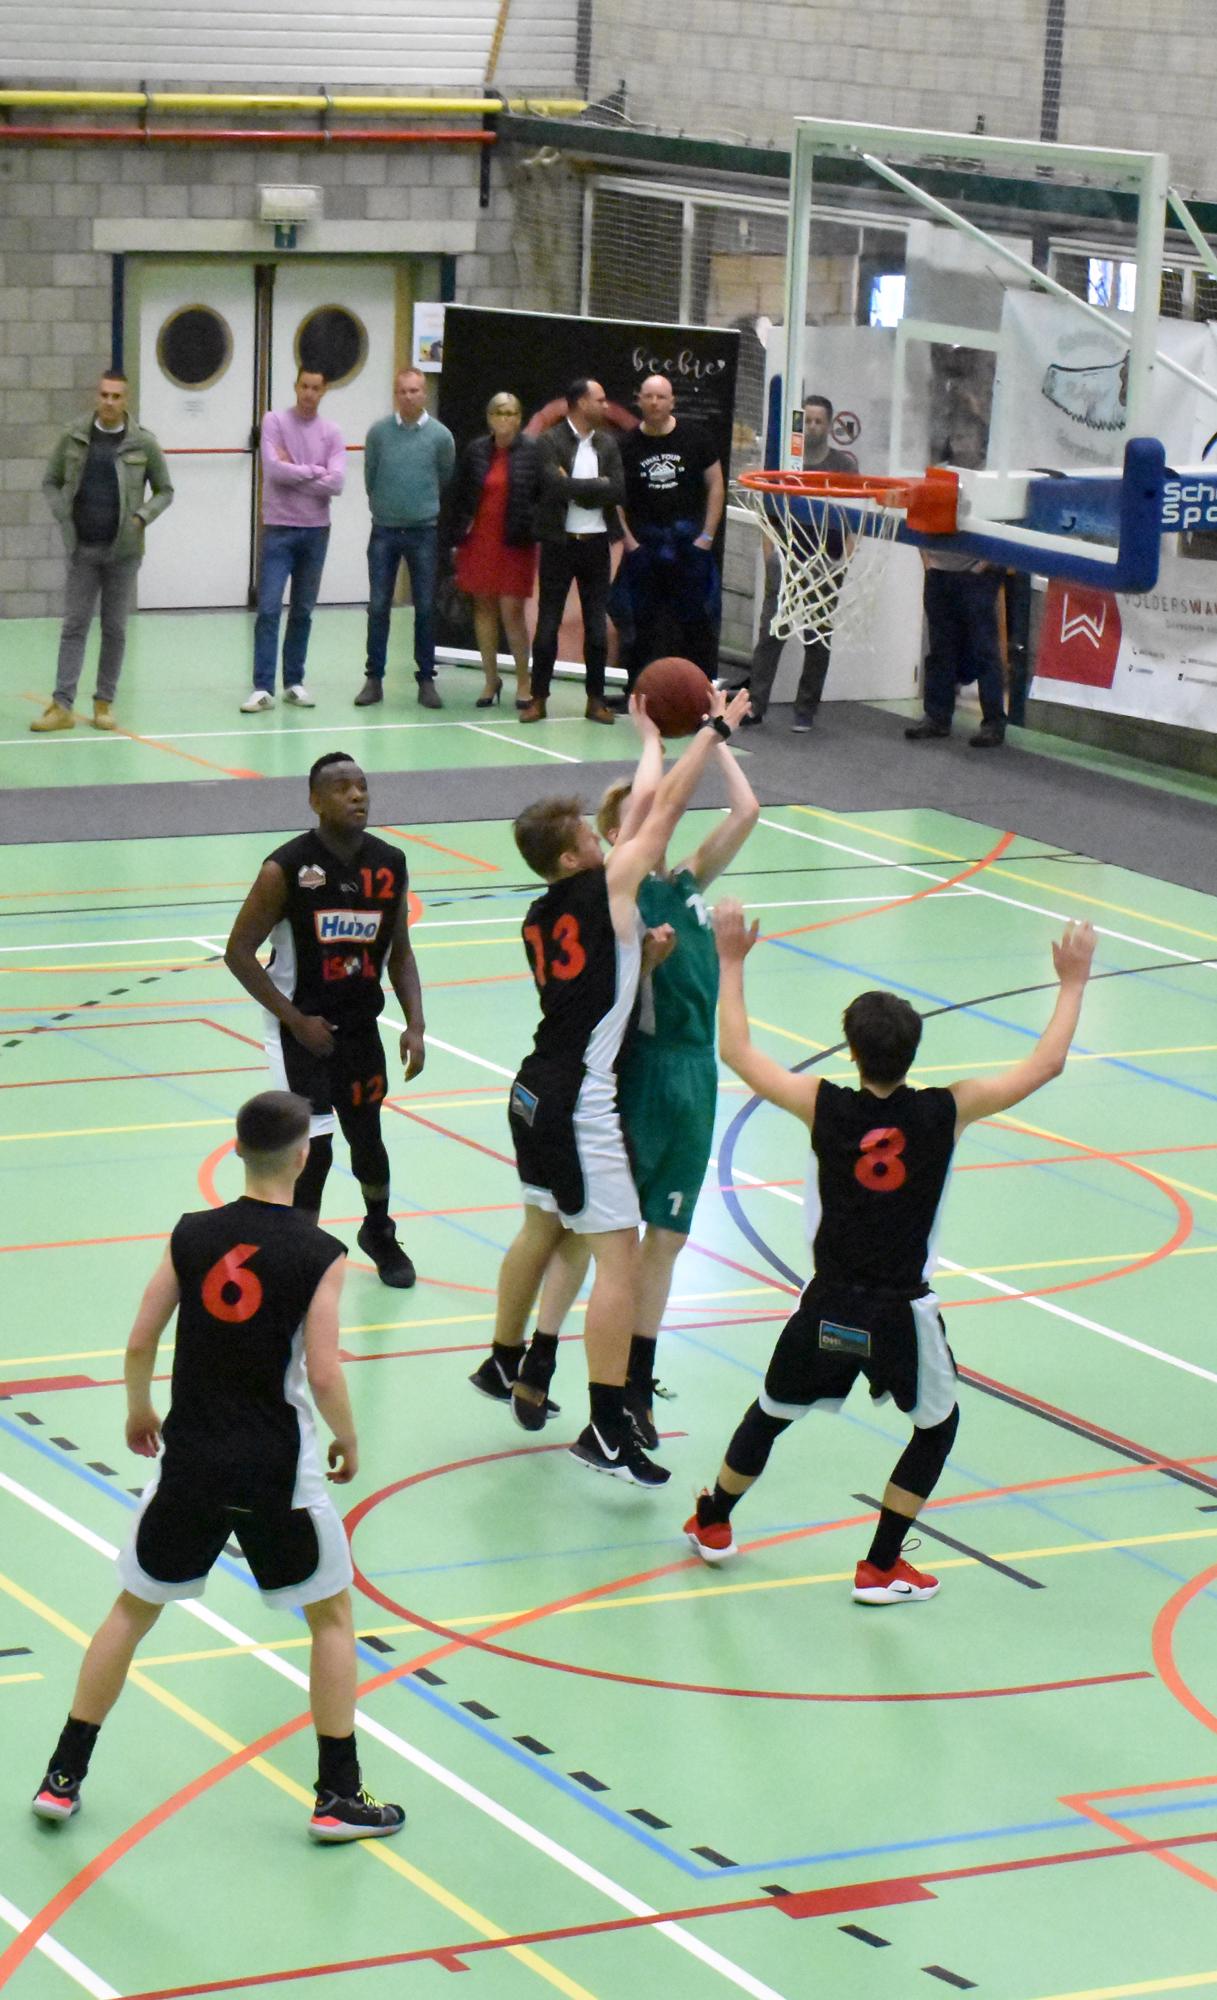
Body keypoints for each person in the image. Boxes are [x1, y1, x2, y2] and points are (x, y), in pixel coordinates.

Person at [685, 902, 1096, 1599]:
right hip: (900, 1312)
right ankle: (879, 1565)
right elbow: (1047, 1063)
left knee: (772, 1410)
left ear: (850, 1052)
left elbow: (737, 1052)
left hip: (826, 1304)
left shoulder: (822, 1104)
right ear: (913, 1054)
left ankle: (713, 1520)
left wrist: (730, 960)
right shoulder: (946, 1109)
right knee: (936, 1429)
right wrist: (1074, 981)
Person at [31, 1090, 405, 1842]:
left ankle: (61, 1778)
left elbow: (140, 1339)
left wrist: (139, 1409)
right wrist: (350, 1437)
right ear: (304, 1157)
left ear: (237, 1151)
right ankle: (337, 1795)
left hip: (191, 1464)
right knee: (331, 1618)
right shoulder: (322, 1254)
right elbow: (324, 1372)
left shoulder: (191, 1234)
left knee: (130, 1611)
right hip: (277, 1472)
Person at [473, 685, 752, 1484]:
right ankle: (605, 1425)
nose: (611, 842)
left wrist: (652, 739)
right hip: (580, 1097)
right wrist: (708, 731)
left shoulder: (542, 912)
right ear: (572, 859)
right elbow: (661, 811)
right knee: (617, 1257)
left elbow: (643, 829)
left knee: (540, 1228)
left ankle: (504, 1358)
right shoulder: (607, 890)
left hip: (530, 1085)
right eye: (591, 840)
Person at [224, 754, 425, 1288]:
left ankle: (378, 1231)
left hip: (360, 1029)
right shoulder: (285, 868)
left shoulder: (390, 863)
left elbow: (401, 952)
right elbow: (238, 952)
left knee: (368, 1140)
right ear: (315, 801)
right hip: (300, 1030)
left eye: (362, 786)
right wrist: (295, 1020)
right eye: (342, 788)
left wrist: (416, 1024)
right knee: (314, 1149)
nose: (357, 795)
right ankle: (299, 1251)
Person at [35, 368, 174, 734]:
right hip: (82, 550)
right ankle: (62, 705)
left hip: (123, 554)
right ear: (96, 397)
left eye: (116, 396)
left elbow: (165, 490)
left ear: (126, 400)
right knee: (74, 626)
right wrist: (63, 514)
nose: (109, 402)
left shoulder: (143, 443)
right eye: (104, 395)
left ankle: (103, 704)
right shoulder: (74, 436)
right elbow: (51, 481)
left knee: (114, 629)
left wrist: (142, 517)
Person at [725, 394, 856, 733]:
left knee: (817, 637)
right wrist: (770, 556)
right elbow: (768, 516)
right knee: (771, 633)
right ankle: (755, 705)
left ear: (829, 425)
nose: (812, 426)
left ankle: (805, 710)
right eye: (807, 420)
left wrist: (845, 559)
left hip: (825, 562)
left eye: (819, 421)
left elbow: (853, 518)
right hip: (787, 558)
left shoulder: (842, 467)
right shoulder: (786, 463)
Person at [519, 378, 624, 727]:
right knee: (548, 623)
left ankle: (596, 700)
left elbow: (617, 490)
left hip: (596, 543)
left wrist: (578, 487)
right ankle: (538, 699)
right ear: (581, 403)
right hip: (559, 542)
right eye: (600, 400)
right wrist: (596, 486)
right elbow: (553, 486)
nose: (605, 406)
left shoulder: (607, 444)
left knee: (596, 626)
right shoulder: (550, 441)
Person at [242, 366, 345, 715]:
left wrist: (296, 471)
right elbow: (273, 471)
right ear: (295, 386)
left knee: (302, 610)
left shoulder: (332, 432)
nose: (309, 393)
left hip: (316, 531)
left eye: (316, 388)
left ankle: (294, 682)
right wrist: (316, 470)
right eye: (304, 386)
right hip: (278, 530)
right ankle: (262, 687)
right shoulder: (273, 421)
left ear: (324, 391)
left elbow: (337, 483)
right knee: (269, 608)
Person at [615, 373, 725, 693]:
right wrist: (630, 543)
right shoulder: (627, 445)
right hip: (645, 548)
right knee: (642, 626)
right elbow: (616, 499)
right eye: (648, 396)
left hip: (689, 546)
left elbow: (716, 485)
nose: (654, 403)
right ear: (638, 401)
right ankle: (639, 694)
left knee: (697, 624)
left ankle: (702, 694)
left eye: (661, 397)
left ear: (672, 402)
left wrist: (706, 537)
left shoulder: (696, 438)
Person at [356, 368, 456, 713]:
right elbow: (370, 477)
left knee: (425, 607)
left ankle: (426, 680)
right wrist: (386, 506)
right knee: (378, 606)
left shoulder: (441, 436)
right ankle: (373, 679)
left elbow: (444, 476)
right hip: (384, 530)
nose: (409, 396)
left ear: (424, 393)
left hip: (423, 532)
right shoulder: (378, 434)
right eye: (402, 391)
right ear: (395, 394)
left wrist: (420, 506)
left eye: (414, 390)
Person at [448, 391, 540, 710]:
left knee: (512, 612)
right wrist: (457, 536)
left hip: (516, 542)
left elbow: (543, 495)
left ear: (520, 418)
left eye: (511, 413)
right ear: (489, 418)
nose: (505, 419)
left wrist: (532, 524)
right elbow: (459, 495)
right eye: (499, 413)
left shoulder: (533, 451)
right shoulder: (475, 450)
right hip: (479, 541)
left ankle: (524, 682)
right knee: (483, 607)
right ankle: (490, 679)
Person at [904, 549, 1007, 748]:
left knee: (983, 648)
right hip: (939, 571)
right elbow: (919, 531)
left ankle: (993, 723)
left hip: (979, 571)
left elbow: (1003, 533)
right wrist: (928, 563)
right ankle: (936, 717)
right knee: (940, 646)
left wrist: (981, 566)